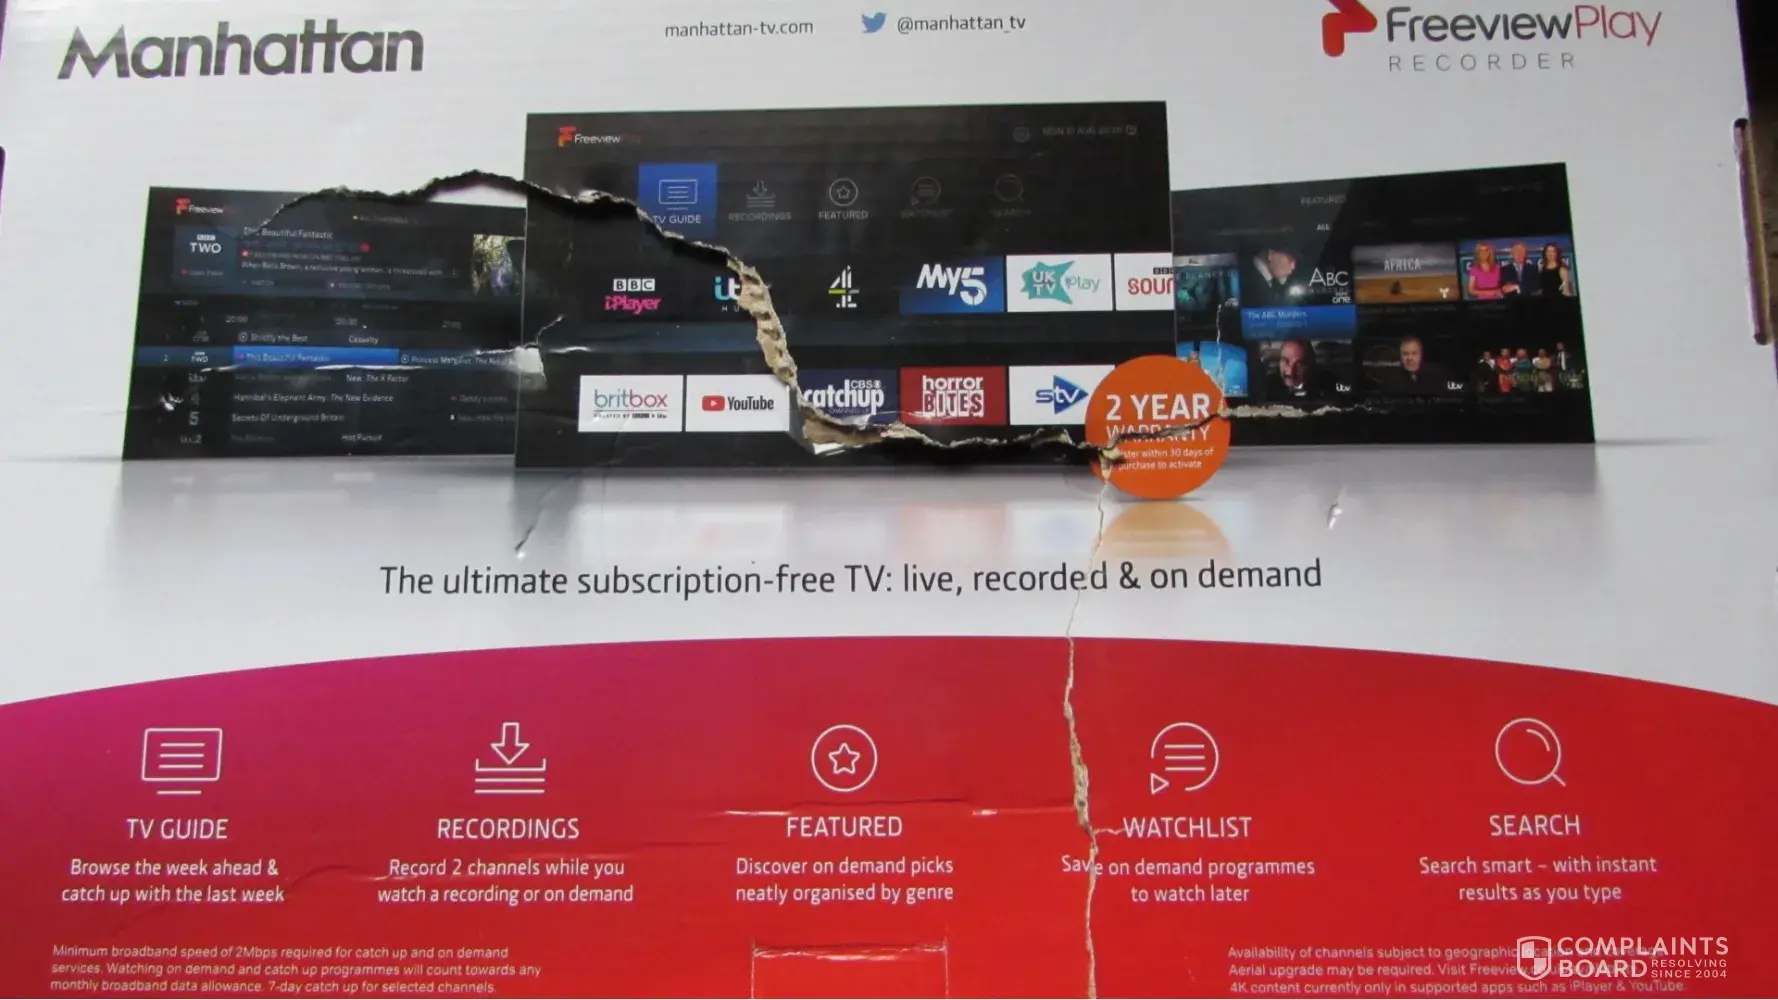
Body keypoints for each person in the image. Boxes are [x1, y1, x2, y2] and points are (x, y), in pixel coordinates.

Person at [1374, 335, 1452, 394]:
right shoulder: (1390, 381)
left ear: (1421, 355)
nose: (1410, 358)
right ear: (1400, 356)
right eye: (1405, 354)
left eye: (1414, 353)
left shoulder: (1438, 375)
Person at [1266, 339, 1333, 399]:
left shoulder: (1327, 384)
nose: (1290, 372)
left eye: (1298, 365)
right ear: (1280, 361)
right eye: (1286, 361)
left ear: (1310, 364)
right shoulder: (1267, 387)